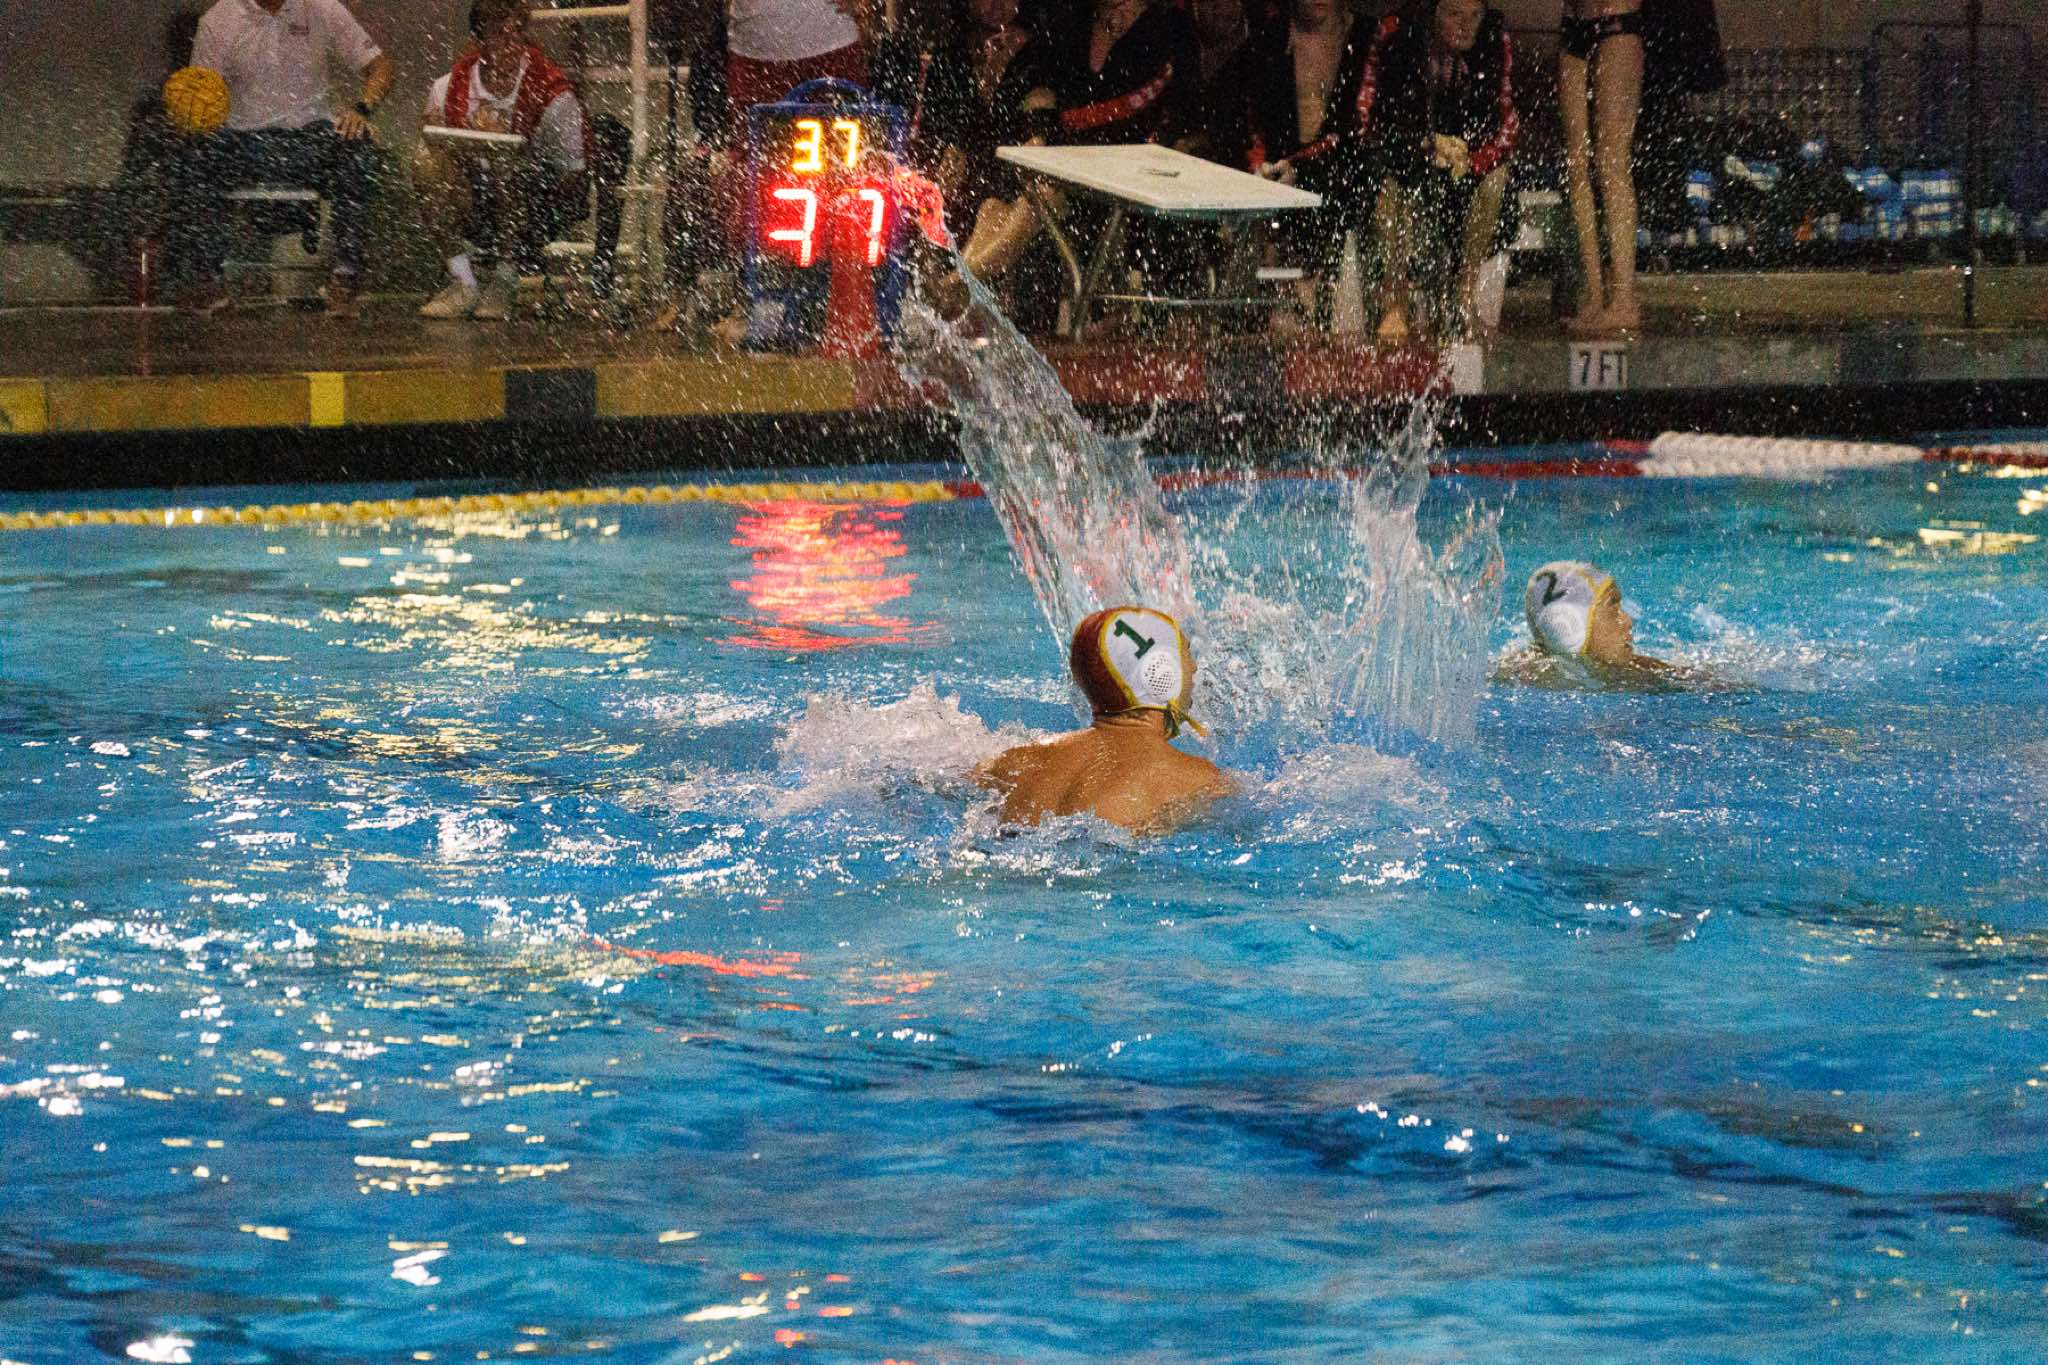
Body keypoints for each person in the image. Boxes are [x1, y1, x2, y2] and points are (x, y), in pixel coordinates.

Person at [939, 0, 1204, 323]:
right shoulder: (1073, 20)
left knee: (1040, 201)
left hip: (1129, 181)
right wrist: (1038, 134)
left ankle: (957, 285)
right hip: (1064, 163)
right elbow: (1037, 83)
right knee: (993, 208)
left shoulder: (1171, 29)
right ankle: (959, 291)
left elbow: (1187, 115)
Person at [1276, 0, 1515, 345]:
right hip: (1401, 155)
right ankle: (1394, 298)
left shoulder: (1493, 38)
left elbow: (1506, 123)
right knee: (1387, 180)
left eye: (1473, 16)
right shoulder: (1397, 34)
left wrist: (1472, 160)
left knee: (1496, 178)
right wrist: (1422, 145)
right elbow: (1366, 119)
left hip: (1462, 162)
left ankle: (1464, 295)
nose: (1465, 26)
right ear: (1433, 14)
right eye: (1454, 14)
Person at [166, 0, 395, 317]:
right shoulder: (219, 19)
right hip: (243, 140)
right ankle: (208, 280)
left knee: (357, 145)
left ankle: (346, 277)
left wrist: (362, 109)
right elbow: (201, 94)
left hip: (310, 137)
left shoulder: (321, 8)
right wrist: (192, 121)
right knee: (195, 150)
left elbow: (380, 66)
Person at [974, 605, 1236, 835]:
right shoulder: (1198, 778)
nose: (1194, 668)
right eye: (1186, 654)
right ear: (1161, 675)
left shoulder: (1009, 762)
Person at [415, 0, 591, 320]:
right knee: (426, 162)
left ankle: (505, 278)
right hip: (474, 201)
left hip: (536, 205)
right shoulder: (448, 87)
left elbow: (574, 175)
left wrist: (512, 149)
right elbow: (435, 153)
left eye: (517, 32)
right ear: (479, 39)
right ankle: (463, 281)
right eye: (499, 33)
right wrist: (437, 138)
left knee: (507, 164)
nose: (510, 43)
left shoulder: (551, 90)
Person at [1210, 0, 1373, 326]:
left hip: (1347, 174)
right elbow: (1232, 115)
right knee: (1253, 195)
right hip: (1276, 173)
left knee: (1356, 180)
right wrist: (1258, 167)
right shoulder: (1267, 40)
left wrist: (1304, 170)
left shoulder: (1369, 39)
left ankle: (1313, 300)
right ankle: (1248, 312)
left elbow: (1371, 131)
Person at [1558, 0, 1642, 336]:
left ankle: (1624, 300)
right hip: (1574, 23)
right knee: (1576, 163)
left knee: (1612, 163)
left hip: (1616, 22)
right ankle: (1594, 296)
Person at [1495, 560, 1689, 690]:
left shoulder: (1643, 673)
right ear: (1567, 625)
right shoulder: (1516, 679)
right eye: (1613, 608)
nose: (1627, 621)